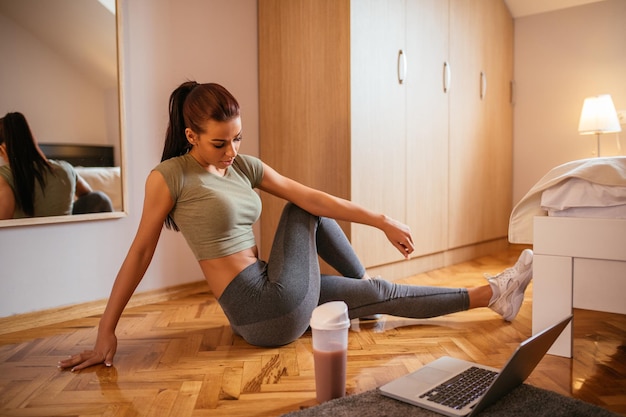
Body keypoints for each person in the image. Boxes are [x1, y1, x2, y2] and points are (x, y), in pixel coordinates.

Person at [59, 81, 533, 372]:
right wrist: (107, 330)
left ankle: (493, 295)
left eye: (238, 138)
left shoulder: (242, 167)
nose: (232, 151)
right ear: (191, 137)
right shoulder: (169, 177)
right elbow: (140, 253)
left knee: (380, 289)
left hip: (272, 298)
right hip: (260, 304)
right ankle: (363, 290)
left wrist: (383, 220)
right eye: (220, 142)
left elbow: (315, 196)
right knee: (301, 209)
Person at [0, 112, 113, 219]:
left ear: (2, 150)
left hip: (25, 238)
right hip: (65, 236)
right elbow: (89, 194)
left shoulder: (4, 176)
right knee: (98, 199)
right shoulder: (65, 168)